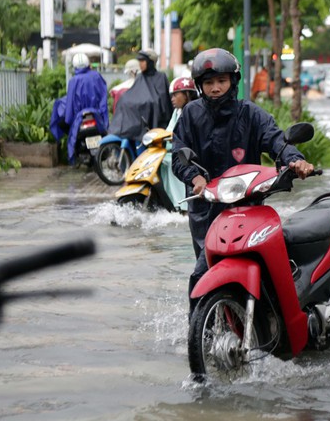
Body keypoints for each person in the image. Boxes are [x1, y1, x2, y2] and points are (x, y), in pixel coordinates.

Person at [171, 48, 315, 315]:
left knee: (274, 266)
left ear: (232, 82)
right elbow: (179, 156)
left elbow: (276, 141)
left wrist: (294, 160)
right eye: (209, 83)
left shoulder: (251, 114)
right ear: (200, 87)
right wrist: (196, 177)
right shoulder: (190, 115)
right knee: (203, 271)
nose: (215, 88)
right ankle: (201, 329)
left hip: (247, 209)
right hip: (206, 211)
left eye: (221, 81)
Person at [49, 53, 108, 164]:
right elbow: (103, 96)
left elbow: (71, 102)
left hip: (80, 117)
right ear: (88, 64)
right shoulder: (96, 76)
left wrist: (68, 119)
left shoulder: (73, 81)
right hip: (97, 114)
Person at [108, 49, 172, 151]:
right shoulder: (139, 78)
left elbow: (162, 103)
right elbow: (132, 96)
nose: (140, 64)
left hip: (156, 124)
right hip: (140, 123)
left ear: (150, 62)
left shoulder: (161, 77)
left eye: (143, 61)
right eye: (139, 61)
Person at [162, 77, 199, 211]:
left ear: (187, 94)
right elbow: (169, 131)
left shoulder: (193, 111)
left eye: (175, 95)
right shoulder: (177, 112)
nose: (172, 99)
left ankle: (182, 205)